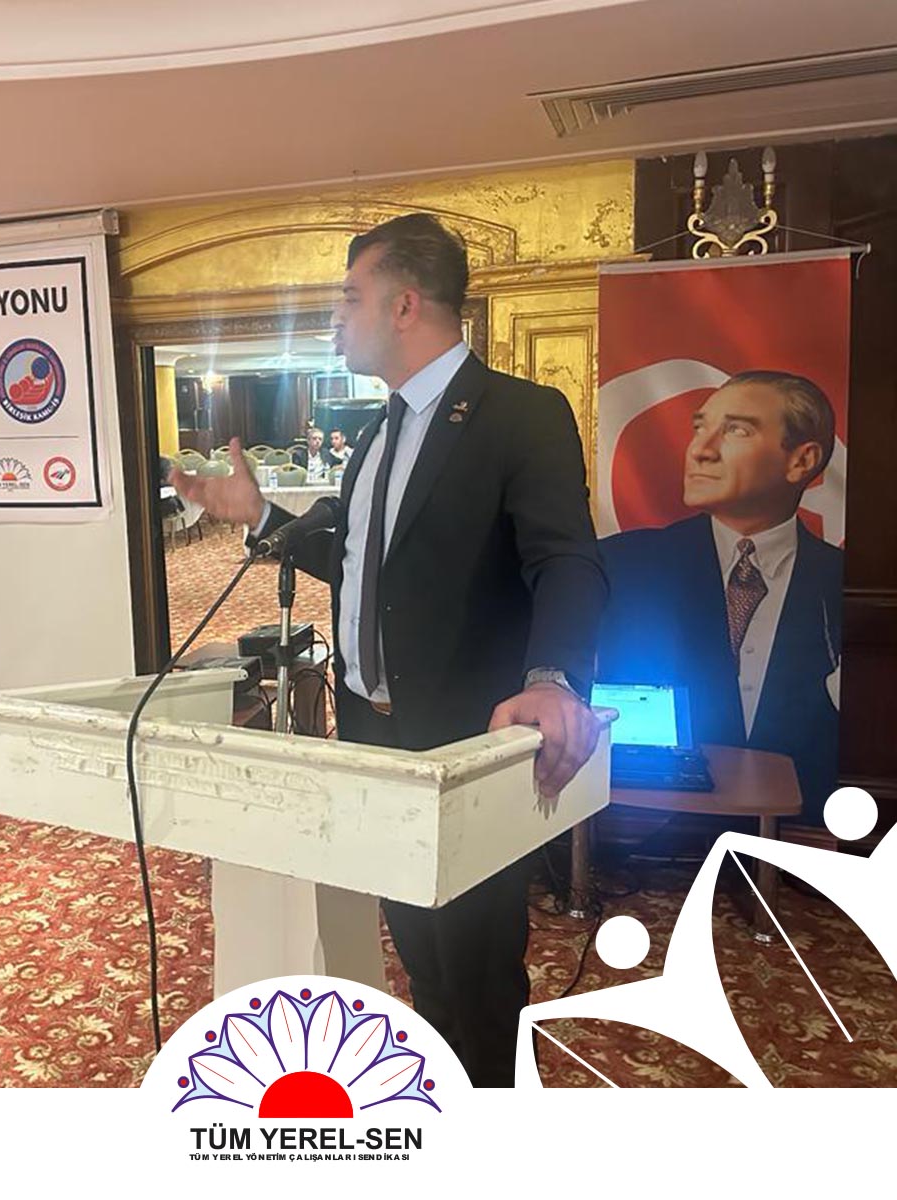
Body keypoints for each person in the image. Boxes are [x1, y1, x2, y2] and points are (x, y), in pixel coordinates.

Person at [171, 212, 606, 1086]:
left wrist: (552, 676)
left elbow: (566, 560)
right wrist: (260, 518)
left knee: (478, 973)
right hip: (371, 735)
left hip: (467, 739)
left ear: (405, 304)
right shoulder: (376, 433)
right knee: (421, 958)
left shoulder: (521, 414)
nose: (335, 318)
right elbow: (363, 560)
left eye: (349, 298)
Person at [598, 371, 842, 821]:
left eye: (737, 430)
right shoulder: (620, 567)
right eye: (700, 427)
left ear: (801, 461)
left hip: (806, 845)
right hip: (647, 843)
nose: (701, 450)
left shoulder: (849, 588)